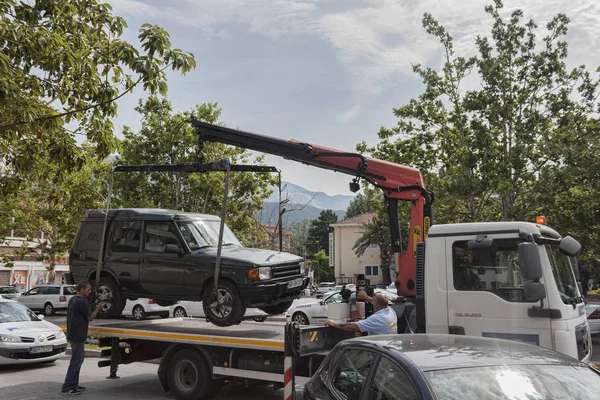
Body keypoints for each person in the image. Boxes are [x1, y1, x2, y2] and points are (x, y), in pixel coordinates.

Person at [62, 281, 102, 395]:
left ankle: (74, 384)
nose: (89, 291)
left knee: (78, 360)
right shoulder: (82, 302)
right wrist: (98, 308)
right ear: (82, 290)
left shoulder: (73, 299)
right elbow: (90, 317)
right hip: (78, 335)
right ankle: (68, 387)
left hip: (73, 333)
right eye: (88, 290)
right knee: (76, 360)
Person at [325, 290, 397, 335]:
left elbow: (354, 327)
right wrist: (366, 297)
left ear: (376, 304)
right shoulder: (391, 311)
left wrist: (333, 323)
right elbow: (377, 302)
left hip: (379, 350)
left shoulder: (378, 318)